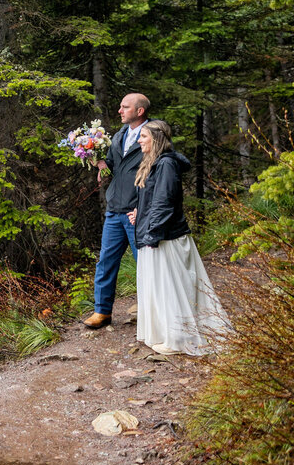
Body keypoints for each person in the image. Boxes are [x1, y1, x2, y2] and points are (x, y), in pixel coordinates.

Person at [128, 120, 228, 355]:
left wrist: (152, 233)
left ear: (157, 138)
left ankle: (179, 339)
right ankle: (165, 333)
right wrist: (139, 213)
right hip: (155, 233)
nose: (139, 140)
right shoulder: (154, 163)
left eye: (143, 136)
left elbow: (165, 203)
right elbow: (153, 200)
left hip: (166, 237)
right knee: (160, 287)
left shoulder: (166, 164)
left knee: (172, 287)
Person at [84, 93, 150, 329]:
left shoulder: (151, 135)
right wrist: (100, 163)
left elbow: (156, 172)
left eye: (125, 107)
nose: (120, 111)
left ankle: (151, 310)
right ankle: (102, 311)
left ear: (139, 111)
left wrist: (142, 206)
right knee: (105, 261)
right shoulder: (120, 135)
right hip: (115, 209)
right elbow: (113, 167)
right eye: (120, 106)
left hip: (136, 211)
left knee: (144, 263)